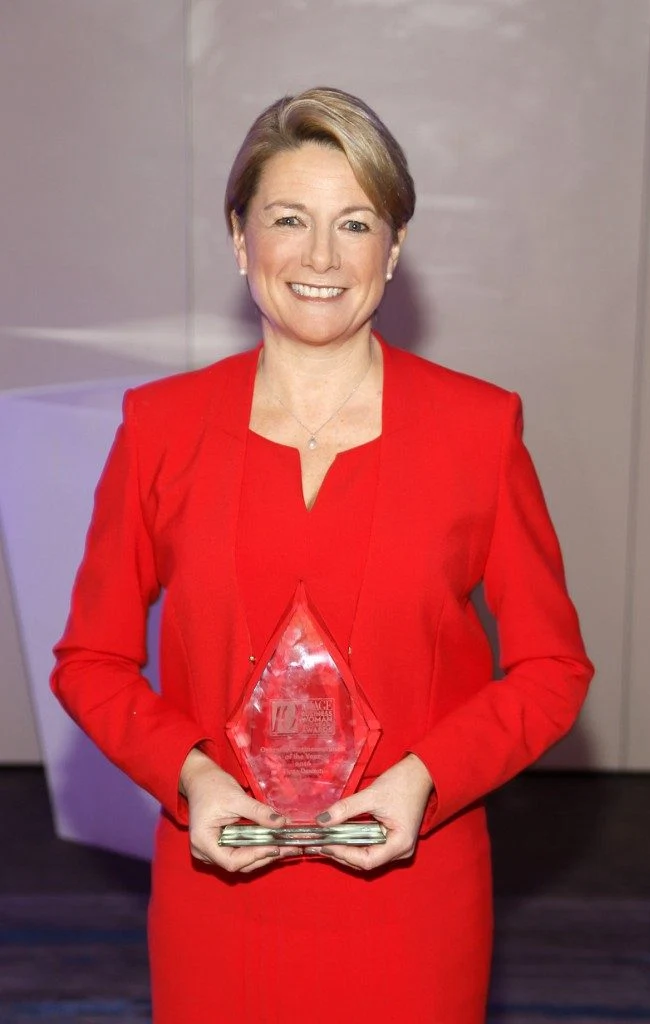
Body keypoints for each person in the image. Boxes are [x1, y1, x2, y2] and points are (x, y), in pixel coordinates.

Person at [51, 86, 594, 1023]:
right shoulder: (160, 429)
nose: (320, 257)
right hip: (218, 896)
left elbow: (553, 669)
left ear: (395, 248)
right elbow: (90, 660)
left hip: (415, 899)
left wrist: (428, 779)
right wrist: (191, 775)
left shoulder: (478, 428)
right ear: (239, 238)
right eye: (288, 219)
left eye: (355, 223)